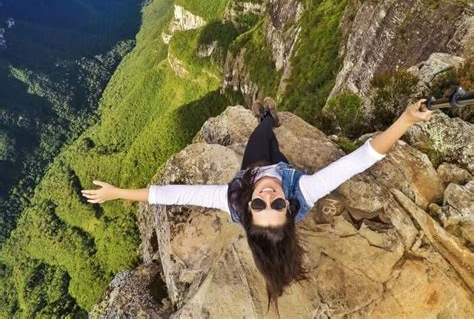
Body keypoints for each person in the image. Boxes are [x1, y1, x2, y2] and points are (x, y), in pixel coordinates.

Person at [81, 96, 433, 312]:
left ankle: (265, 120)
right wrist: (405, 120)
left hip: (250, 167)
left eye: (258, 207)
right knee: (274, 147)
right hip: (283, 169)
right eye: (276, 205)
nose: (266, 197)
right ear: (289, 208)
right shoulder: (304, 193)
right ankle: (268, 120)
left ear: (247, 211)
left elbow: (173, 195)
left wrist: (118, 193)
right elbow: (360, 160)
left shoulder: (234, 200)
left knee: (259, 137)